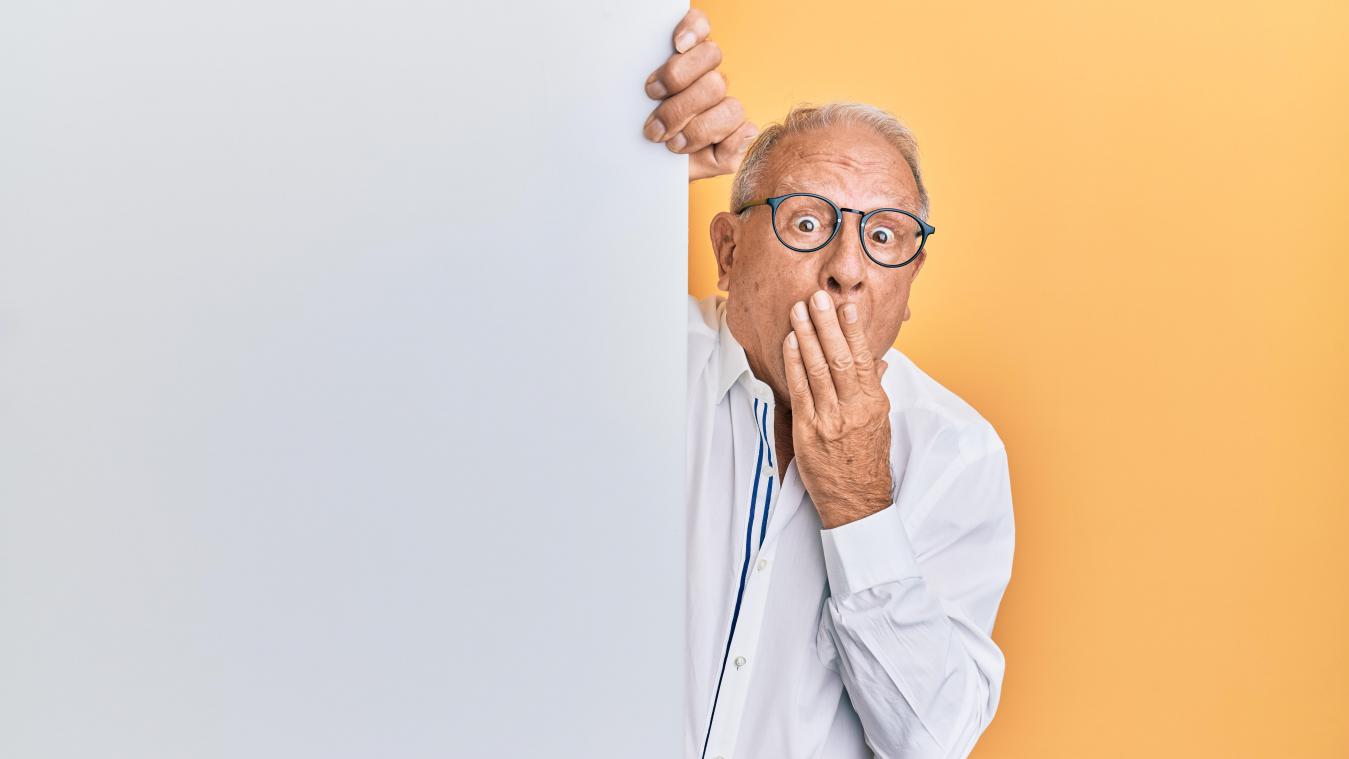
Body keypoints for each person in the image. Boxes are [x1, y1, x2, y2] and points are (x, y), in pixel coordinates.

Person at [644, 10, 1016, 759]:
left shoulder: (956, 454)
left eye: (883, 237)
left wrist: (857, 502)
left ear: (908, 286)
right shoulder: (636, 359)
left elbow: (929, 742)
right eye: (808, 223)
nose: (847, 269)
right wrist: (612, 163)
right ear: (728, 250)